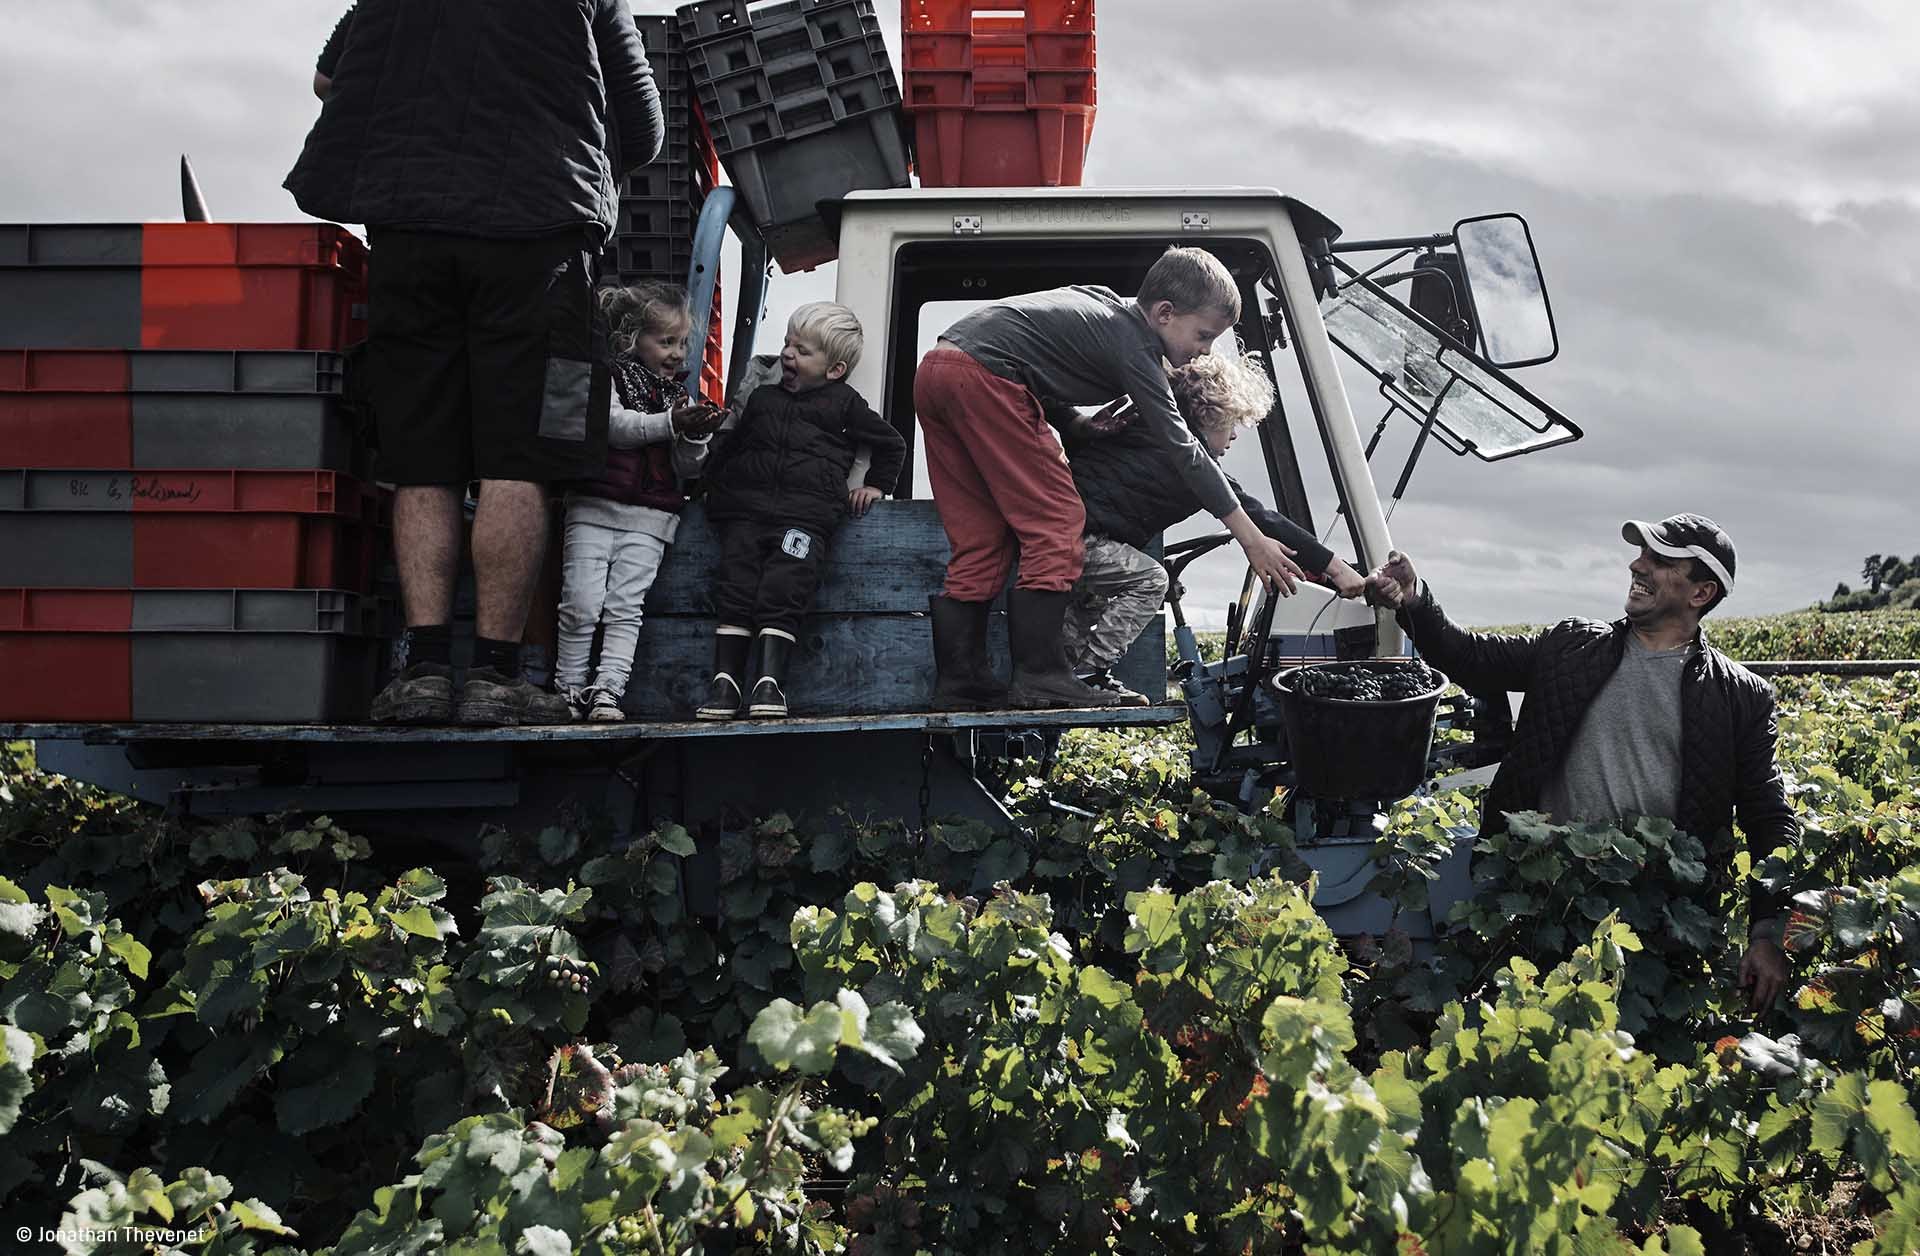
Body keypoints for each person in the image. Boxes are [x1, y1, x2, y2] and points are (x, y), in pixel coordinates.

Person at [285, 1, 665, 726]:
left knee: (420, 454)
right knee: (519, 457)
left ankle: (424, 672)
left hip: (410, 227)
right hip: (540, 234)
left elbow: (326, 81)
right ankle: (495, 678)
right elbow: (642, 127)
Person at [1365, 514, 1795, 1011]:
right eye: (1642, 554)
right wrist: (1416, 598)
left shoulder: (1738, 696)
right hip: (1544, 899)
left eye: (1659, 560)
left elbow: (1769, 819)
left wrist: (1768, 931)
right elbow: (1470, 656)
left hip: (1654, 918)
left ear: (1700, 593)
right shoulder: (1573, 646)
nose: (1639, 564)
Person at [913, 246, 1309, 712]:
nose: (1204, 351)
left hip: (938, 370)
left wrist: (1074, 424)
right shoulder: (1136, 345)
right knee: (1058, 524)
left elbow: (1024, 358)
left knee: (980, 540)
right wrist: (1249, 538)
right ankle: (1041, 676)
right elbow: (1186, 451)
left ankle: (960, 682)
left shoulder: (1099, 304)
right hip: (985, 381)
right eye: (1204, 336)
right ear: (1164, 313)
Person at [1061, 351, 1368, 704]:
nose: (1235, 436)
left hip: (1063, 534)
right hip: (1077, 537)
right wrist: (1336, 568)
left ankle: (1066, 679)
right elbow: (1259, 516)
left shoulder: (1144, 430)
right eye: (1231, 423)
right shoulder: (1190, 460)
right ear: (1209, 414)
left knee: (1092, 597)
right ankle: (1091, 672)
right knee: (1150, 580)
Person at [694, 303, 906, 721]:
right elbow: (729, 446)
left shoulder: (845, 405)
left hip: (804, 518)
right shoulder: (762, 398)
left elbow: (891, 443)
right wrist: (703, 487)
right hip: (745, 513)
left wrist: (877, 486)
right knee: (735, 590)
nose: (788, 354)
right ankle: (725, 684)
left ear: (834, 370)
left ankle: (769, 683)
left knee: (783, 591)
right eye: (788, 343)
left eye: (803, 350)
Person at [554, 283, 724, 722]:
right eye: (666, 341)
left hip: (650, 519)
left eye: (682, 343)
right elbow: (615, 427)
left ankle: (608, 689)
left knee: (625, 608)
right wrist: (670, 423)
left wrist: (696, 434)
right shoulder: (609, 377)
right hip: (593, 509)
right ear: (632, 338)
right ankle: (568, 688)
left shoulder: (678, 398)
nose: (677, 353)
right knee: (580, 603)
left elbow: (686, 468)